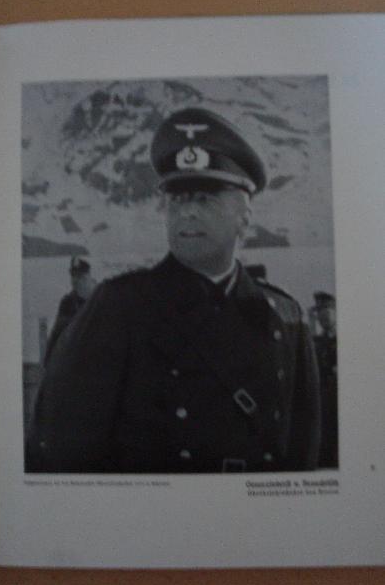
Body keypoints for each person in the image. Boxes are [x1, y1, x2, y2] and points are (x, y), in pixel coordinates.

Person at [26, 107, 321, 474]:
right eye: (178, 199)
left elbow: (304, 453)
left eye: (206, 198)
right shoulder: (119, 306)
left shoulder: (283, 316)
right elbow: (61, 448)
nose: (188, 212)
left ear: (245, 215)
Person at [44, 257, 95, 364]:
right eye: (73, 275)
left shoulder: (100, 299)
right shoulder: (67, 303)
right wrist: (47, 362)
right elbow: (56, 333)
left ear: (88, 277)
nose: (75, 280)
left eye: (80, 276)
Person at [313, 292, 338, 468]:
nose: (322, 315)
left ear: (335, 312)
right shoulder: (317, 341)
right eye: (319, 311)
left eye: (326, 310)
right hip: (323, 398)